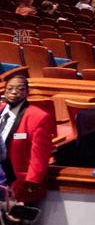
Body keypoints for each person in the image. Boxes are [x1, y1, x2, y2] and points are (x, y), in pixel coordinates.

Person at [0, 76, 54, 206]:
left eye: (20, 89)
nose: (14, 92)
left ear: (27, 92)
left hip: (17, 183)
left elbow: (40, 155)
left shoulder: (38, 117)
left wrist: (33, 181)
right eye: (10, 89)